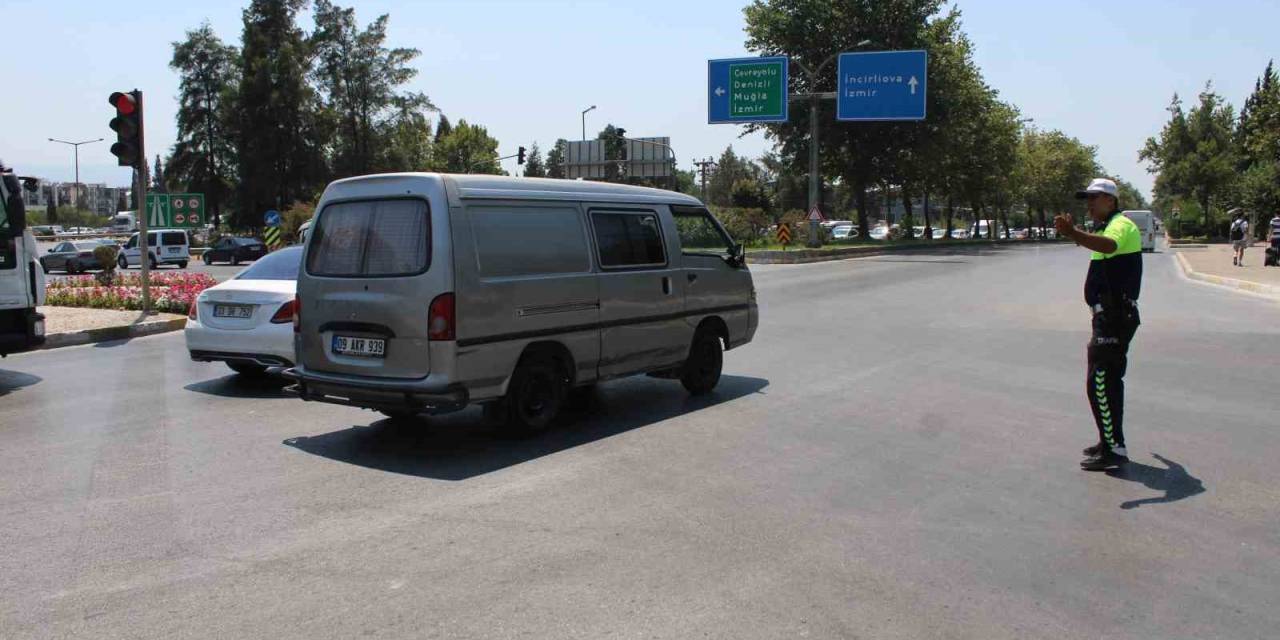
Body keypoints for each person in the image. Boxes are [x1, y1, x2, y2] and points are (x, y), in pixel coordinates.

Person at [1054, 178, 1143, 471]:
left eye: (1095, 198)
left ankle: (1114, 448)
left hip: (1115, 318)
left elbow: (1109, 245)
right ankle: (1109, 441)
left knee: (1101, 383)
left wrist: (1073, 234)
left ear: (1111, 201)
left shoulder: (1120, 225)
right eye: (1087, 198)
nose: (1089, 203)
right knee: (1103, 382)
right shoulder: (1107, 225)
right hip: (1108, 317)